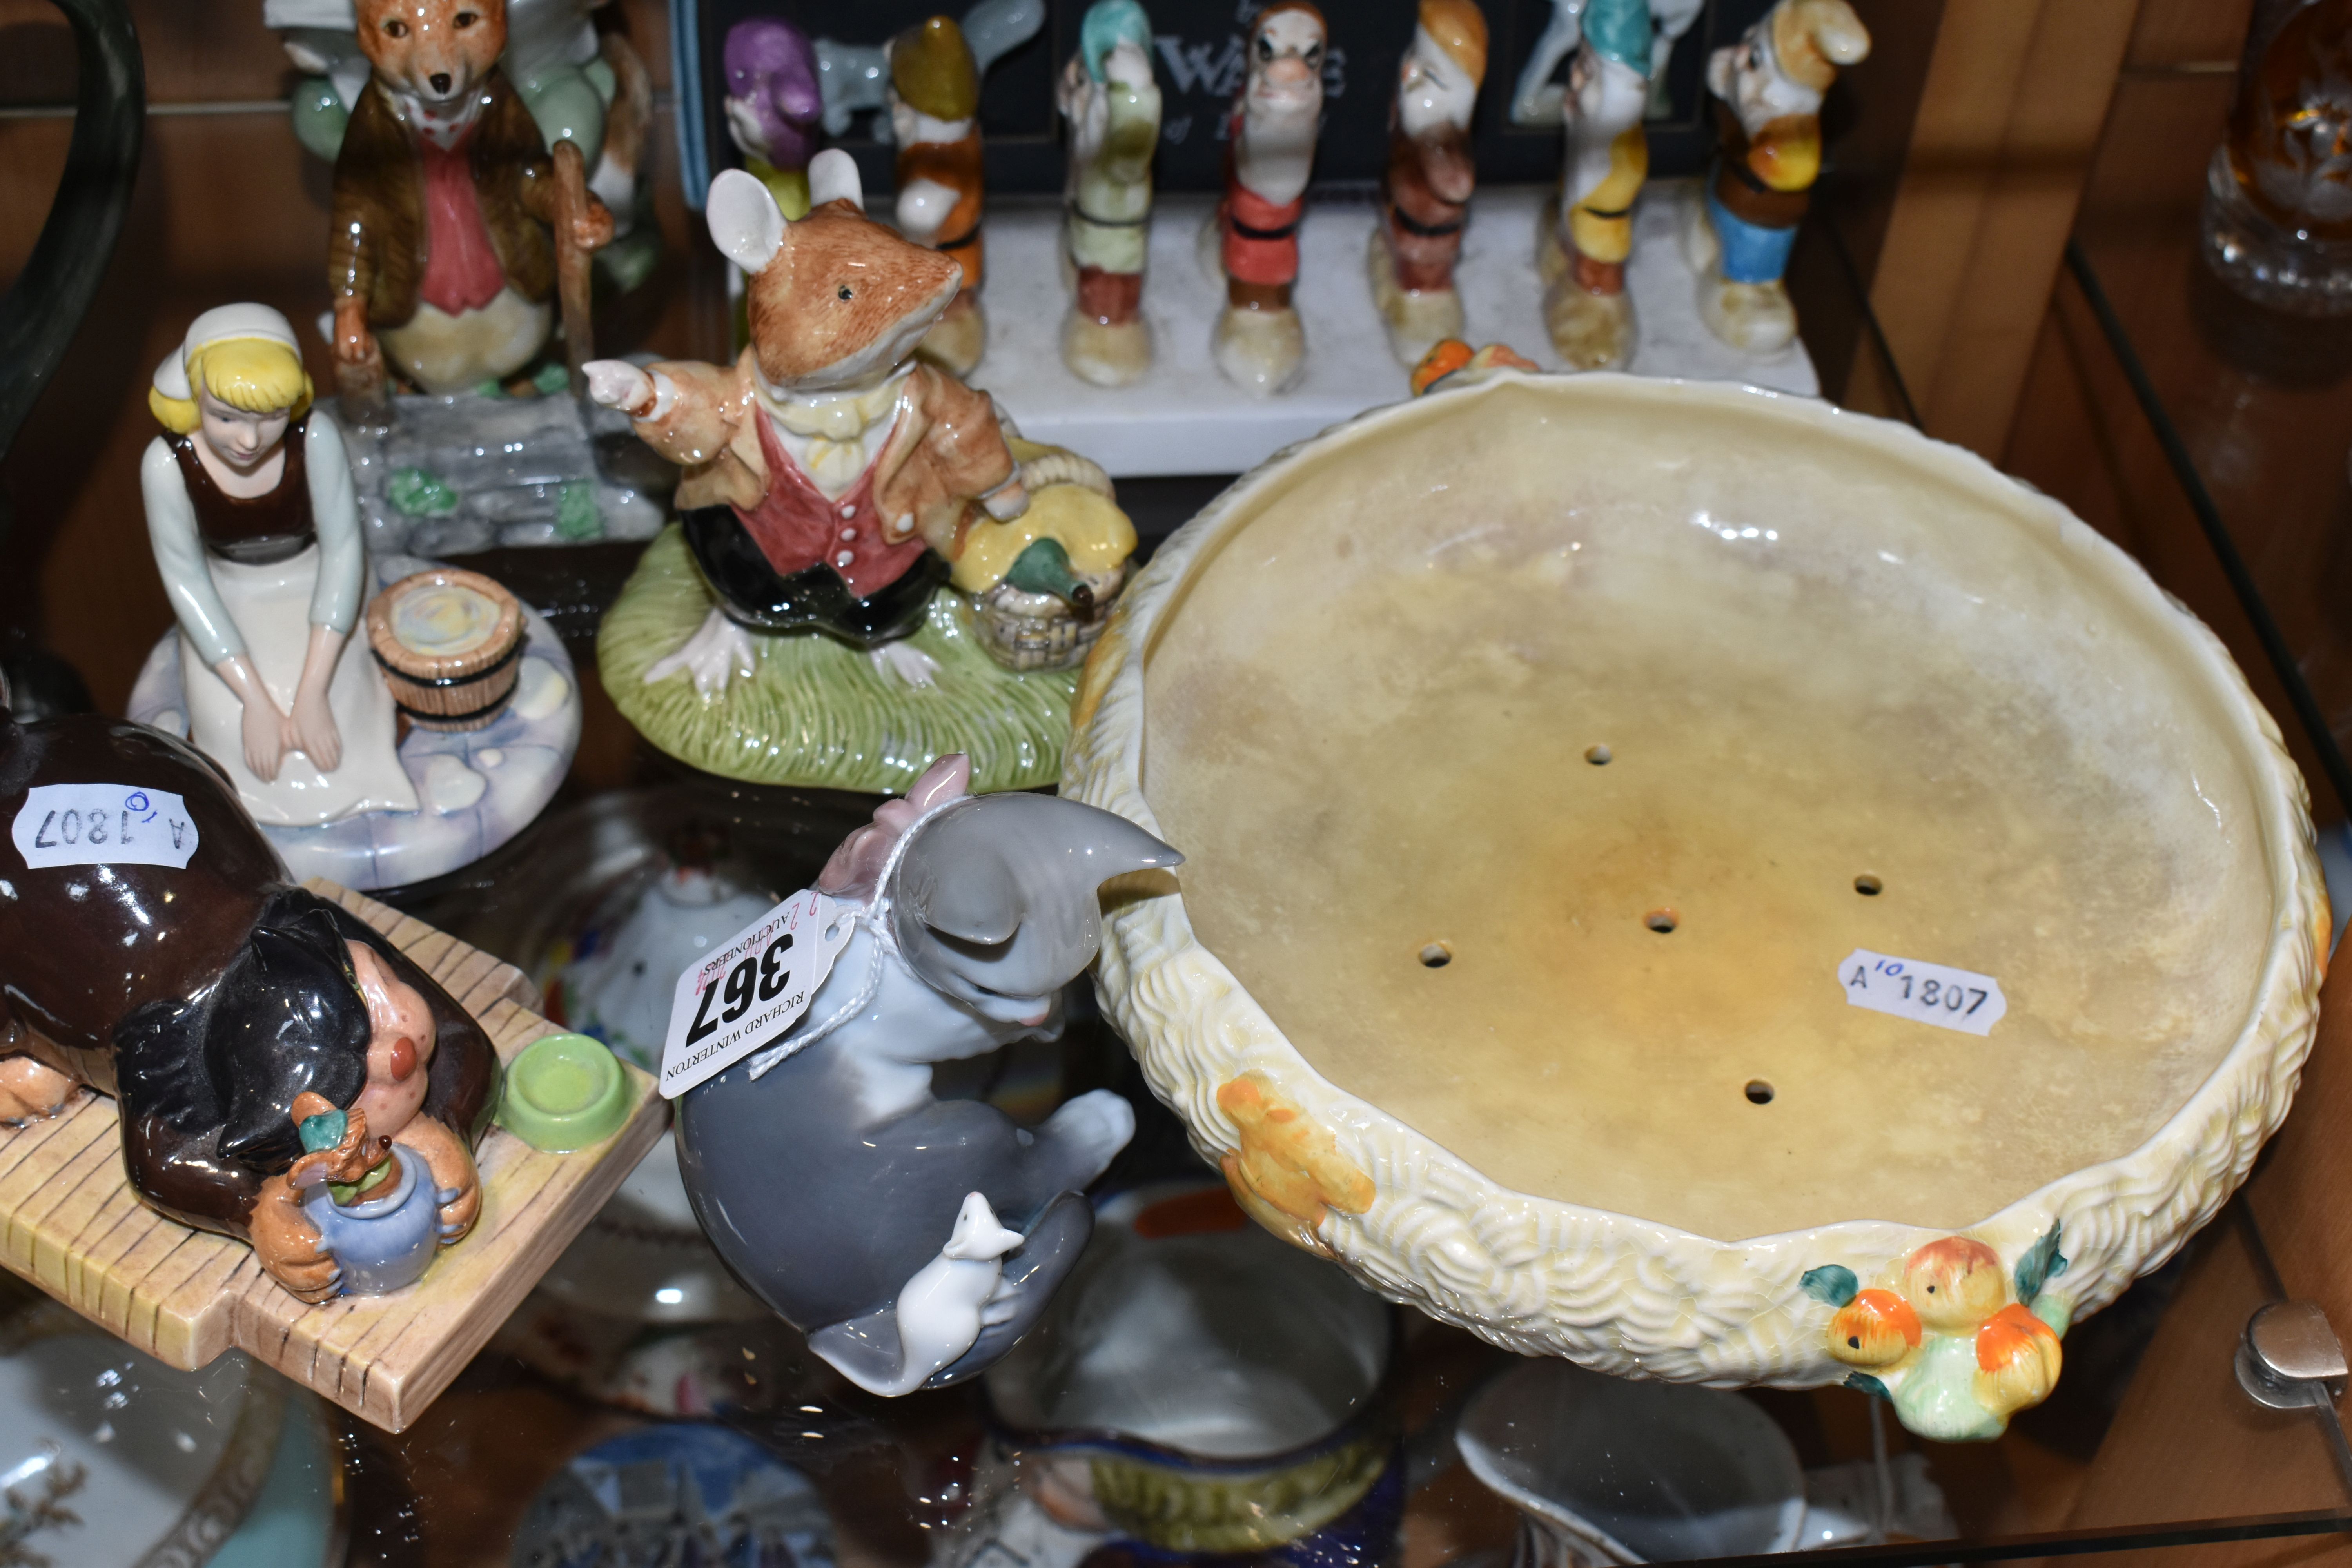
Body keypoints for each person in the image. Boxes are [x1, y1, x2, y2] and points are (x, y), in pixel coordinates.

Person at [140, 305, 417, 827]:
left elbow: (343, 551)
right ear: (195, 398)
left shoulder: (316, 439)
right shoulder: (165, 464)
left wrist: (311, 691)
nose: (249, 441)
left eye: (268, 418)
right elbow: (185, 579)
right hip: (227, 594)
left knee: (342, 706)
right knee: (230, 727)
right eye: (226, 417)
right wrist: (255, 700)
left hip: (319, 584)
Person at [1371, 0, 1488, 365]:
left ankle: (1424, 307)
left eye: (1432, 78)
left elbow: (1457, 184)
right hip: (1402, 228)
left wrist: (1439, 147)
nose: (1409, 76)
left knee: (1423, 280)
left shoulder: (1440, 146)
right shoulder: (1411, 127)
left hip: (1427, 249)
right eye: (1413, 59)